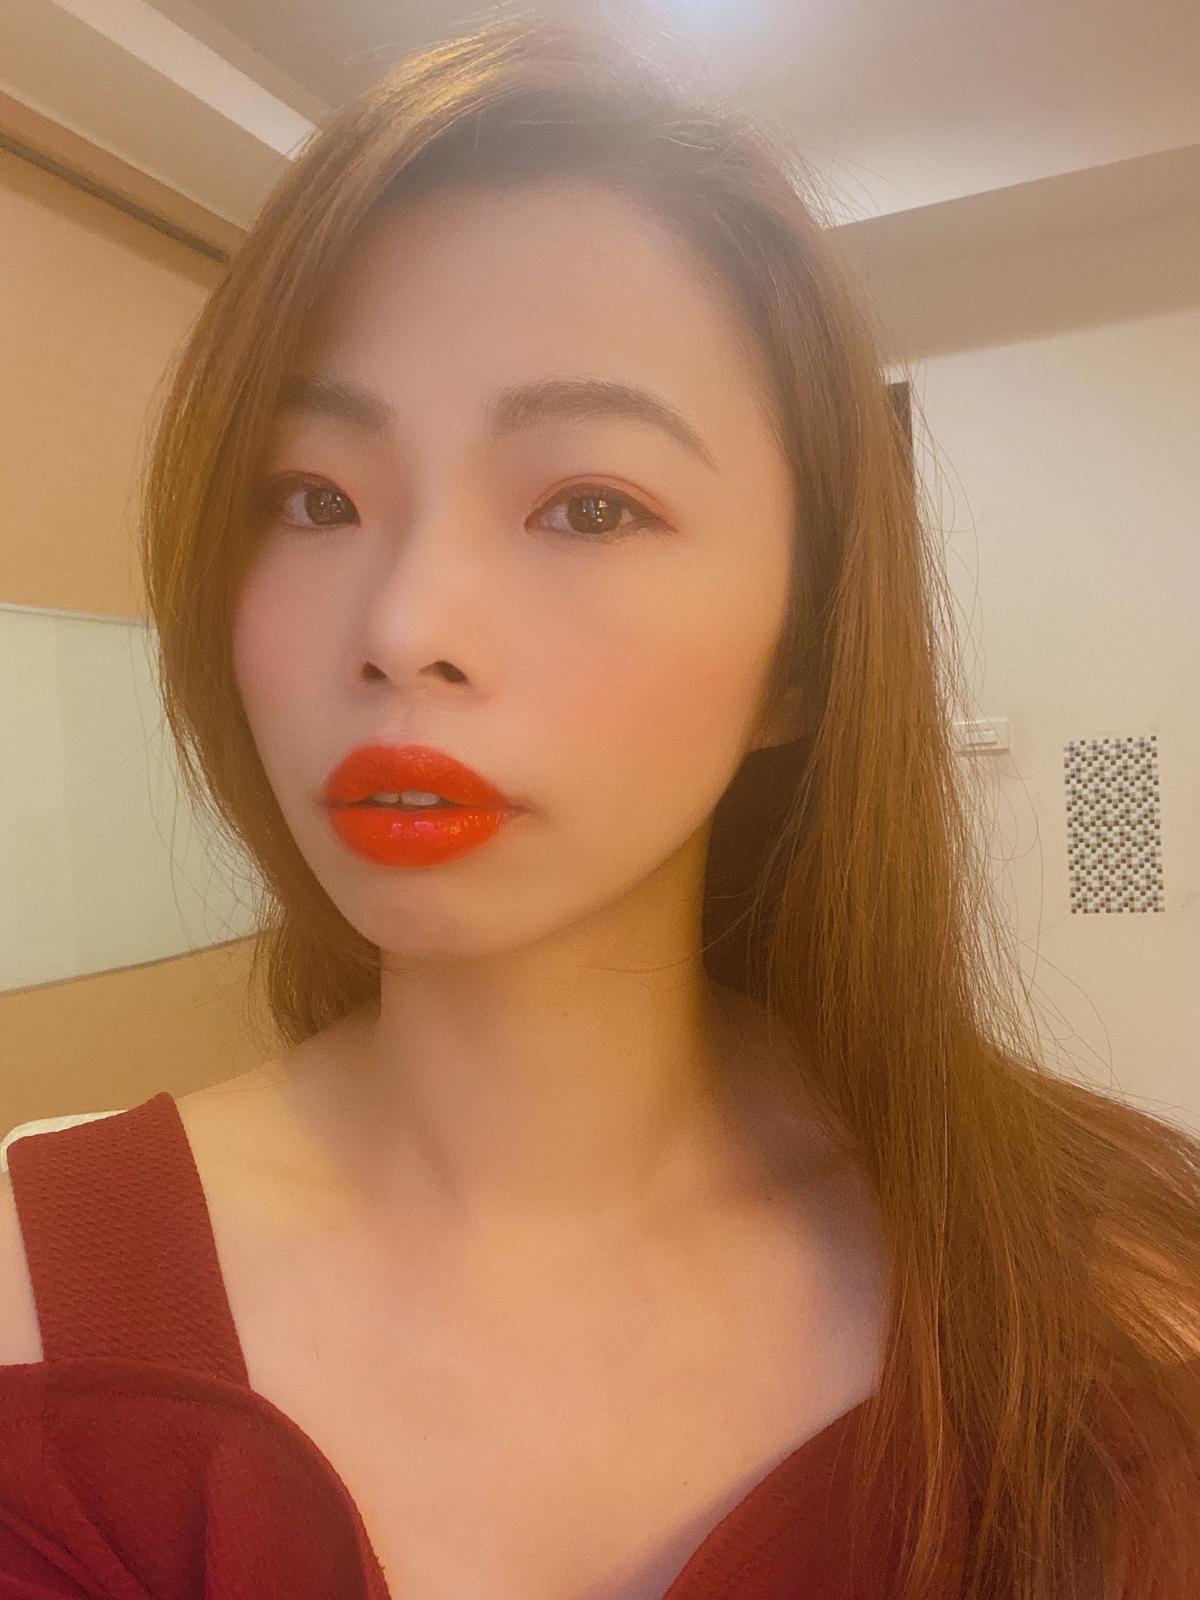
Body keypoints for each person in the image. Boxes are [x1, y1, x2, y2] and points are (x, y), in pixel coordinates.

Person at [2, 10, 1197, 1599]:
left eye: (587, 506)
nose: (406, 624)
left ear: (803, 647)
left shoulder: (1116, 1295)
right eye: (313, 497)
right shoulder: (33, 1280)